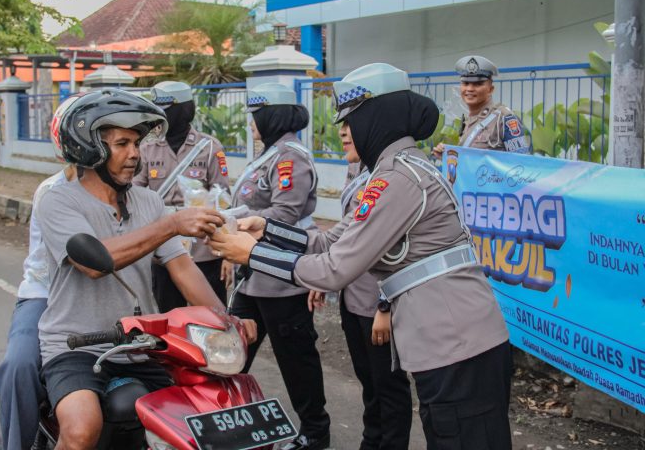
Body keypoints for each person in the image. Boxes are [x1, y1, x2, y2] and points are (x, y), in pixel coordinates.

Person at [210, 63, 513, 450]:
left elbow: (334, 269)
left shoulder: (397, 178)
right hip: (446, 341)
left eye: (351, 120)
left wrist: (252, 254)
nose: (344, 131)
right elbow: (331, 242)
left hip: (458, 343)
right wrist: (267, 230)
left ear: (377, 117)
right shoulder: (387, 174)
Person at [36, 88, 256, 450]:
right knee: (80, 430)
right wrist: (171, 224)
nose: (135, 154)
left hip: (141, 345)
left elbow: (183, 270)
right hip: (76, 345)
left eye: (136, 143)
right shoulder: (58, 200)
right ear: (90, 148)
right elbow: (94, 263)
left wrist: (226, 320)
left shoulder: (148, 201)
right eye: (122, 143)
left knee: (199, 416)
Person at [224, 83, 330, 450]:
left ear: (272, 115)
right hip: (253, 276)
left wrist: (235, 220)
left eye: (257, 114)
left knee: (295, 360)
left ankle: (315, 433)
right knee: (229, 351)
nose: (251, 122)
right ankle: (217, 422)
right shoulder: (270, 154)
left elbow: (285, 213)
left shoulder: (290, 157)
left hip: (283, 278)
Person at [0, 94, 83, 450]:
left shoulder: (135, 194)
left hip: (111, 300)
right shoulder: (52, 193)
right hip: (46, 296)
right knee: (19, 365)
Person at [309, 158, 413, 450]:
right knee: (369, 381)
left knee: (389, 386)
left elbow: (402, 246)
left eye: (350, 123)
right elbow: (346, 236)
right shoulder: (358, 168)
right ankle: (372, 440)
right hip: (352, 294)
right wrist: (324, 280)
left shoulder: (397, 172)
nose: (343, 131)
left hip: (376, 299)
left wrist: (385, 305)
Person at [133, 81, 230, 311]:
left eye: (164, 109)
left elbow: (223, 199)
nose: (159, 116)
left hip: (203, 250)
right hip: (163, 248)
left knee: (211, 316)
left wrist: (227, 252)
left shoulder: (209, 147)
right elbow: (135, 194)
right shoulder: (147, 149)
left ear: (181, 110)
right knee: (167, 318)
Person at [433, 55, 531, 158]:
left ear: (491, 89)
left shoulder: (503, 118)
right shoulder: (468, 121)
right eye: (466, 83)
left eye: (477, 84)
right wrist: (448, 155)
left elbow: (521, 162)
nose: (470, 89)